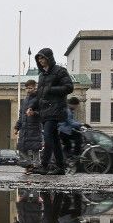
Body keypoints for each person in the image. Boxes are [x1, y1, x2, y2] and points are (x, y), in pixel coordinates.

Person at [28, 47, 74, 175]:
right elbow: (40, 95)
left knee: (48, 137)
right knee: (53, 139)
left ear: (49, 58)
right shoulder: (42, 75)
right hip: (45, 111)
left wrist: (51, 89)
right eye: (39, 58)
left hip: (56, 110)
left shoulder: (60, 71)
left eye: (42, 57)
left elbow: (69, 87)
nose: (40, 60)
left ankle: (45, 165)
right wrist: (33, 106)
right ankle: (60, 167)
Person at [14, 81, 43, 170]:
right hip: (24, 128)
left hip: (34, 127)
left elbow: (43, 113)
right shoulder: (25, 100)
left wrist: (34, 113)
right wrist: (17, 127)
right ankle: (30, 163)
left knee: (35, 149)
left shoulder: (39, 99)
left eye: (30, 88)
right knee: (21, 148)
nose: (28, 90)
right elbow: (21, 115)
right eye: (27, 88)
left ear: (35, 88)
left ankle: (37, 165)